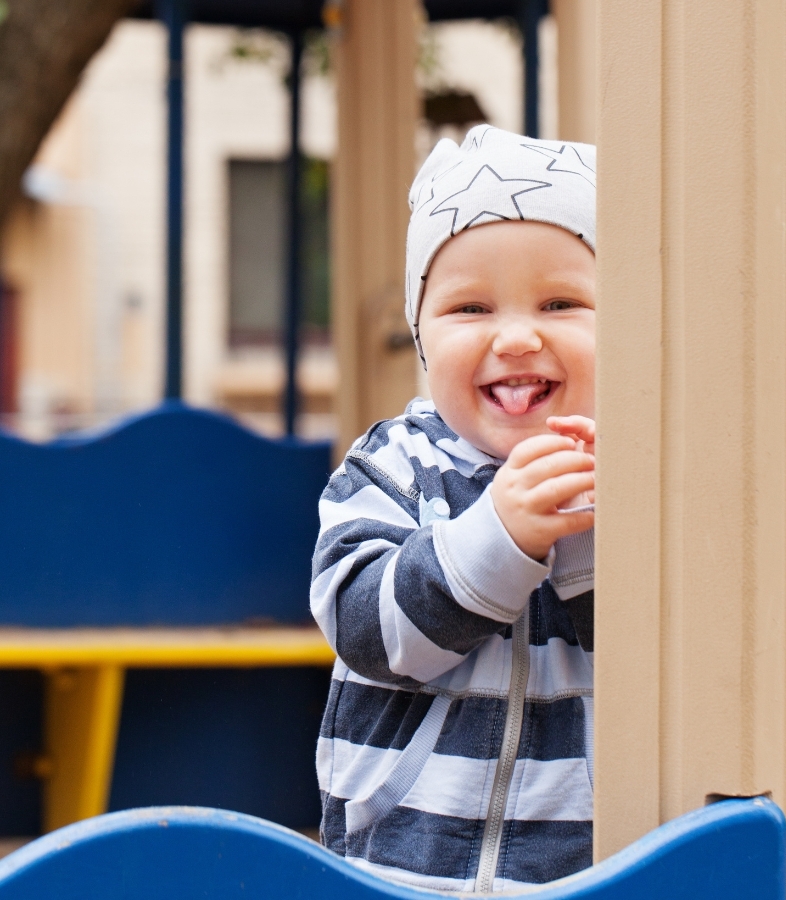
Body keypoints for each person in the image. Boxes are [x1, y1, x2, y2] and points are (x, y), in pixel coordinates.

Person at [312, 125, 596, 893]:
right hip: (400, 863)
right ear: (422, 336)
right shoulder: (392, 466)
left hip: (582, 869)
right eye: (470, 308)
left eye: (562, 301)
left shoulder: (638, 477)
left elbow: (660, 655)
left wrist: (584, 536)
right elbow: (364, 630)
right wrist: (498, 540)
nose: (516, 335)